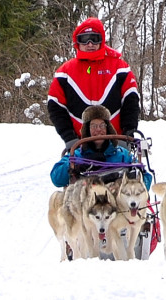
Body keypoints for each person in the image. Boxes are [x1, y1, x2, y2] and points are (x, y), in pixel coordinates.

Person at [47, 17, 140, 151]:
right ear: (77, 42)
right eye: (84, 39)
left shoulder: (120, 68)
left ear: (101, 41)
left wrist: (128, 132)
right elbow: (55, 106)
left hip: (116, 142)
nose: (90, 44)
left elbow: (131, 101)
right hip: (80, 144)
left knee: (135, 170)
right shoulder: (65, 73)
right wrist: (69, 138)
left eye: (94, 39)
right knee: (62, 171)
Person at [50, 105, 133, 188]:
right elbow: (56, 179)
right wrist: (78, 164)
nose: (98, 129)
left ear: (108, 129)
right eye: (93, 126)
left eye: (102, 125)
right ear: (87, 130)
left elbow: (143, 176)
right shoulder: (76, 155)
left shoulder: (122, 155)